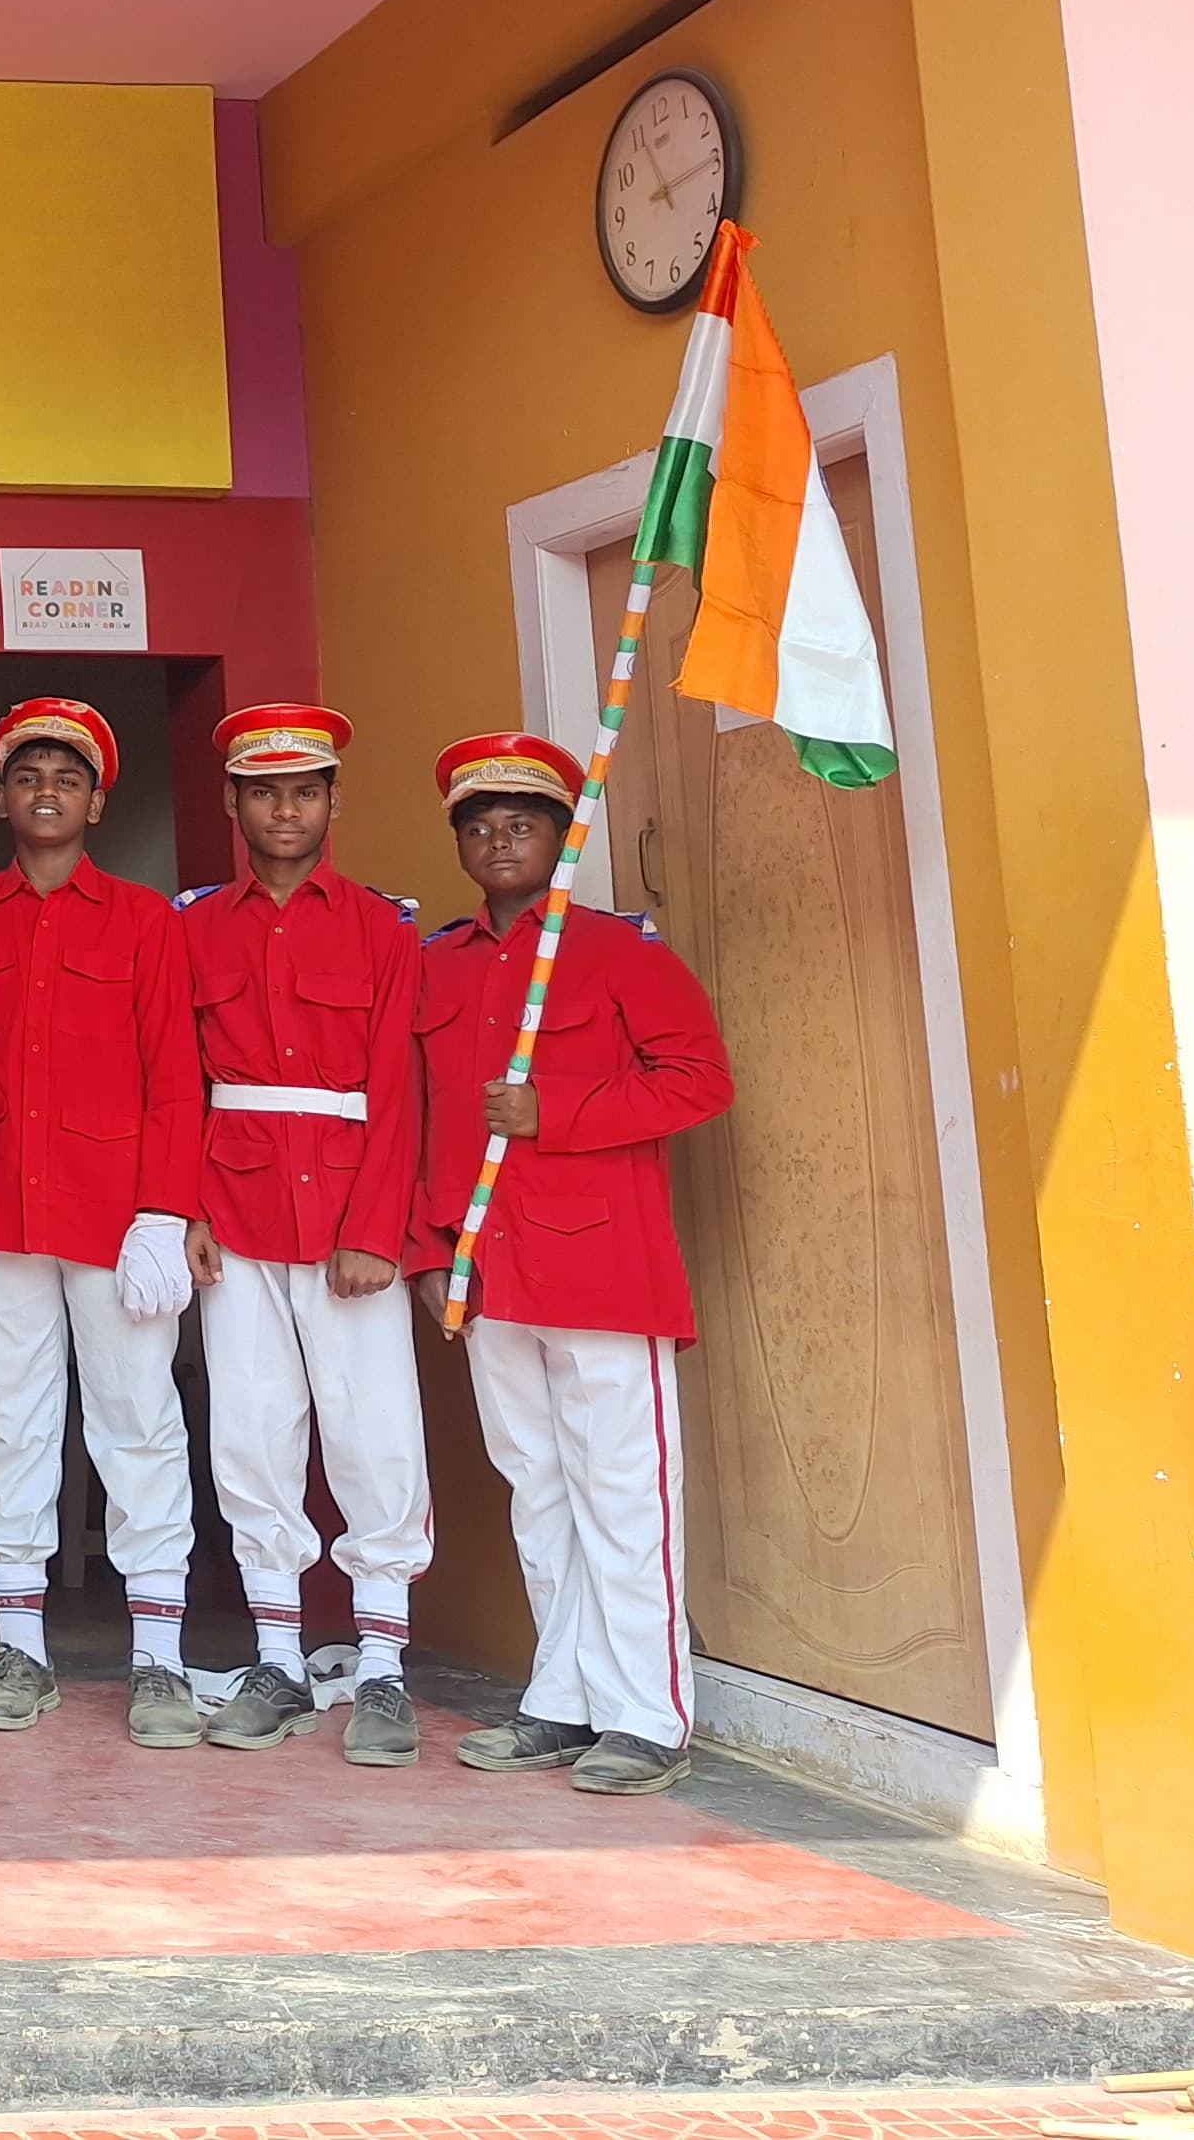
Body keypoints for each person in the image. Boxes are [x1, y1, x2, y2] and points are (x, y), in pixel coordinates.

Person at [411, 731, 732, 1798]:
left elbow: (699, 1080)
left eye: (523, 824)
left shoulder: (616, 953)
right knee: (537, 1490)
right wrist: (432, 1248)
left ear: (561, 837)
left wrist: (557, 1109)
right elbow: (427, 1120)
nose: (500, 841)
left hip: (603, 1268)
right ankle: (565, 1697)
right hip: (489, 1267)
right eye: (480, 826)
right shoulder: (440, 965)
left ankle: (648, 1713)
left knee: (624, 1494)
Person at [0, 695, 209, 1748]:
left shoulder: (144, 920)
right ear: (1, 798)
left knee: (137, 1422)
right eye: (28, 777)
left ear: (96, 803)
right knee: (8, 1423)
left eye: (67, 779)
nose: (46, 794)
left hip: (113, 1215)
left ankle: (159, 1657)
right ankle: (21, 1648)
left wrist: (164, 1212)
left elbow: (176, 1076)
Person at [175, 702, 430, 1767]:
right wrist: (188, 1207)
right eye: (266, 793)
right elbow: (177, 1080)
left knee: (376, 1436)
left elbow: (402, 1094)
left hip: (348, 1221)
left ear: (331, 802)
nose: (286, 810)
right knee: (250, 1433)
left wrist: (377, 1228)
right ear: (235, 804)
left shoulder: (381, 927)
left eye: (305, 792)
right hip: (234, 1211)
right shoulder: (194, 927)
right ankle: (278, 1657)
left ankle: (384, 1668)